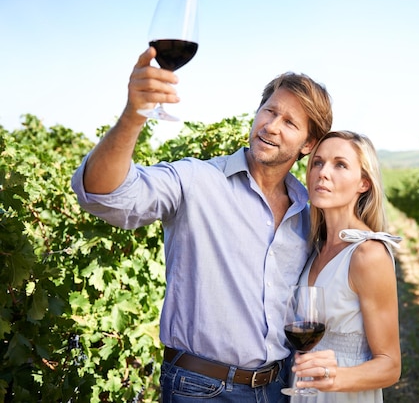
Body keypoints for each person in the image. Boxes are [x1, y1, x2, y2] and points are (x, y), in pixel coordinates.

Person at [70, 47, 333, 403]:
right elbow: (105, 196)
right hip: (201, 389)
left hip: (278, 388)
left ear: (309, 144)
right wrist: (134, 116)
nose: (271, 126)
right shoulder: (196, 180)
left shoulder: (308, 210)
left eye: (290, 122)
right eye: (268, 111)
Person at [290, 131, 402, 402]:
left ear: (363, 183)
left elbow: (390, 365)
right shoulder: (315, 248)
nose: (323, 173)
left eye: (340, 164)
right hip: (305, 392)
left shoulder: (368, 254)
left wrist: (334, 377)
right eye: (317, 162)